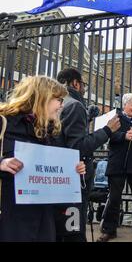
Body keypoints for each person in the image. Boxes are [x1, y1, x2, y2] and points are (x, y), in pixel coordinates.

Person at [0, 76, 86, 242]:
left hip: (44, 219)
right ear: (42, 97)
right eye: (58, 99)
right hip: (10, 216)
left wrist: (72, 171)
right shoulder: (4, 122)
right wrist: (2, 164)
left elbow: (50, 171)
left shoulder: (48, 130)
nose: (62, 105)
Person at [55, 68, 121, 242]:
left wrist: (88, 118)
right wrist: (107, 130)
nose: (84, 88)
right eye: (83, 84)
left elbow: (65, 138)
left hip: (58, 175)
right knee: (74, 228)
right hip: (76, 176)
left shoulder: (59, 103)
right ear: (75, 83)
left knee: (60, 226)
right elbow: (78, 146)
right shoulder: (75, 105)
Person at [97, 93, 132, 242]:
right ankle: (109, 230)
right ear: (125, 105)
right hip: (117, 164)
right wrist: (124, 136)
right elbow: (109, 137)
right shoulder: (115, 119)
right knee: (114, 199)